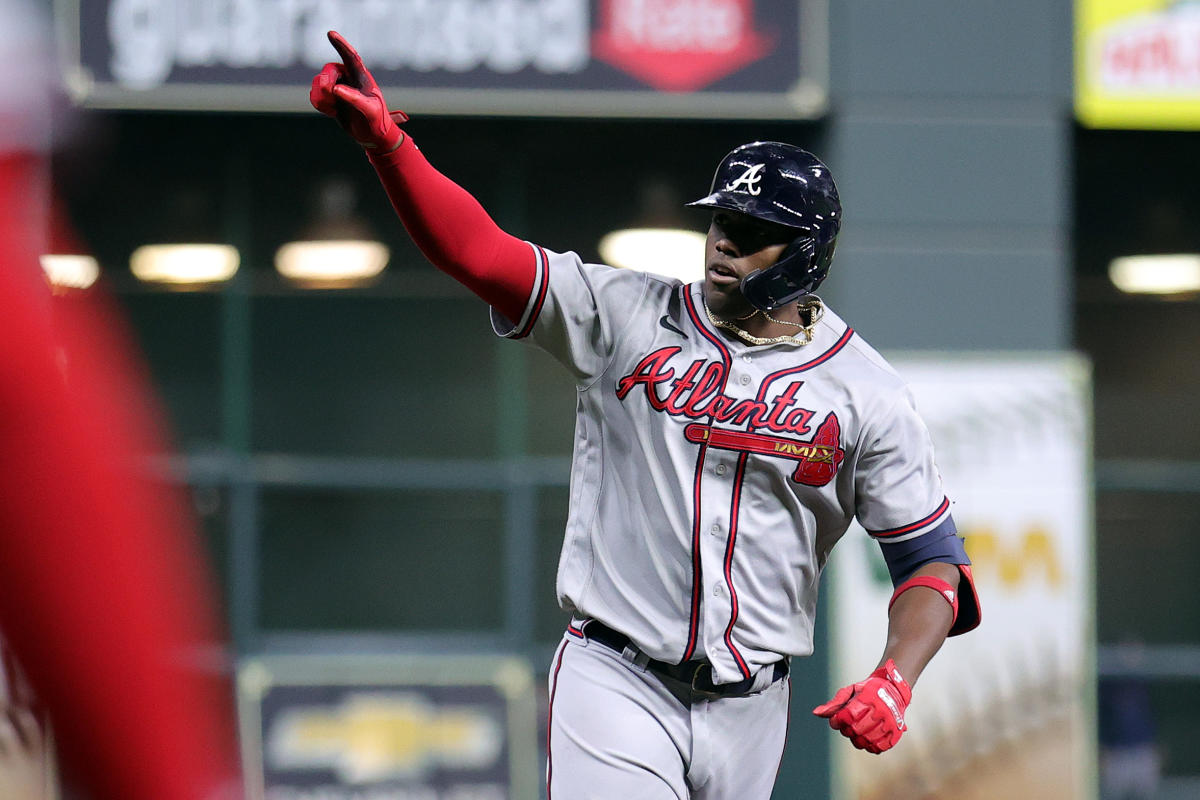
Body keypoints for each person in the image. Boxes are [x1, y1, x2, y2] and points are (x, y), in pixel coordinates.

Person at [311, 31, 981, 799]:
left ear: (805, 252)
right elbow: (481, 254)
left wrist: (897, 678)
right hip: (616, 678)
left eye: (755, 233)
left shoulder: (867, 392)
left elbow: (932, 562)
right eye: (722, 221)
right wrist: (390, 146)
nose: (725, 241)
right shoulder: (625, 316)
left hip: (753, 704)